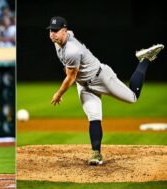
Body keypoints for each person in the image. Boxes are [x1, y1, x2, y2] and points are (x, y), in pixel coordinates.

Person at [47, 16, 164, 165]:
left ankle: (144, 59)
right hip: (84, 85)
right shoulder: (59, 40)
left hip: (101, 78)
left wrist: (58, 94)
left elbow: (70, 78)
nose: (52, 33)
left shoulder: (72, 50)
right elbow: (71, 33)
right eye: (51, 30)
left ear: (63, 31)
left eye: (56, 31)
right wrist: (66, 34)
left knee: (133, 98)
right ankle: (96, 154)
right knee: (94, 117)